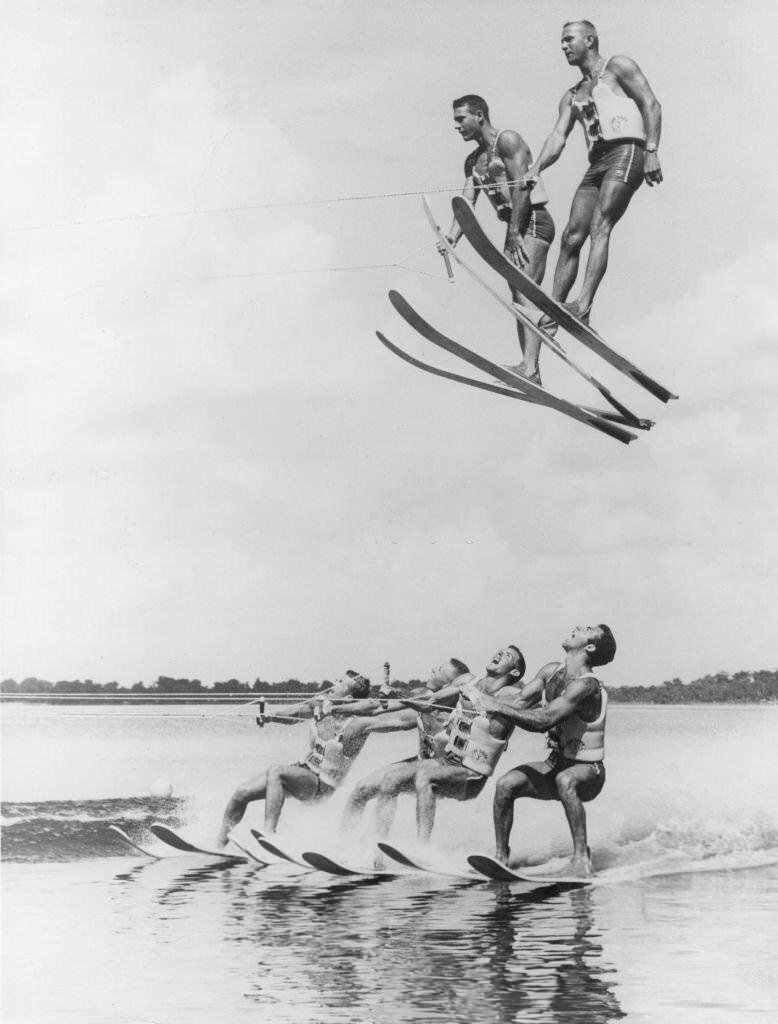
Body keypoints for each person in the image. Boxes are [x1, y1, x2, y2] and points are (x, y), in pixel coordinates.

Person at [519, 21, 662, 345]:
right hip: (597, 162)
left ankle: (583, 306)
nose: (564, 46)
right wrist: (537, 168)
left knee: (600, 226)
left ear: (590, 39)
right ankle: (553, 311)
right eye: (561, 41)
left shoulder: (618, 66)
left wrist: (652, 150)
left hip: (627, 151)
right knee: (571, 235)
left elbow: (651, 104)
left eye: (569, 39)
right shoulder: (572, 95)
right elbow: (558, 136)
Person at [479, 624, 616, 878]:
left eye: (586, 629)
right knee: (505, 785)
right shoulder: (551, 672)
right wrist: (471, 699)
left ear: (590, 647)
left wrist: (495, 705)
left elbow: (544, 720)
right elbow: (518, 703)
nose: (577, 627)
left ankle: (581, 857)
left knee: (566, 780)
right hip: (555, 764)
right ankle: (501, 857)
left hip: (589, 772)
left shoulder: (586, 686)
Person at [439, 95, 555, 385]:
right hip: (514, 229)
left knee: (525, 292)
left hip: (533, 222)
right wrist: (451, 237)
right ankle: (531, 367)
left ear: (479, 115)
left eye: (460, 119)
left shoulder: (508, 140)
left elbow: (522, 188)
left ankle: (531, 365)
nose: (457, 126)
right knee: (519, 296)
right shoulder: (472, 161)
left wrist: (515, 232)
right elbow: (466, 203)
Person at [216, 670, 405, 843]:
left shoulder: (358, 725)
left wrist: (398, 699)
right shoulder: (321, 711)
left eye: (339, 682)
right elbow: (295, 713)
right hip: (303, 772)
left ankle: (269, 836)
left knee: (277, 772)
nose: (333, 683)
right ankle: (218, 846)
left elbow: (397, 721)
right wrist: (270, 716)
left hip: (322, 786)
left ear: (347, 696)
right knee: (241, 793)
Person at [340, 657, 473, 840]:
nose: (433, 668)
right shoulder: (420, 697)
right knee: (361, 788)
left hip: (444, 772)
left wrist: (394, 692)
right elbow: (388, 714)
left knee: (391, 780)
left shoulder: (455, 707)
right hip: (419, 763)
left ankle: (378, 848)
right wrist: (339, 708)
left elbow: (425, 702)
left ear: (448, 684)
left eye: (440, 669)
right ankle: (341, 843)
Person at [406, 645, 527, 844]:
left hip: (471, 775)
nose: (498, 653)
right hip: (446, 763)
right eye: (498, 651)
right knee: (388, 779)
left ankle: (421, 849)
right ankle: (368, 852)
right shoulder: (469, 682)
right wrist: (399, 698)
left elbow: (517, 709)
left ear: (514, 671)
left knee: (425, 778)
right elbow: (430, 701)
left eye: (507, 656)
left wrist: (475, 695)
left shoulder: (512, 694)